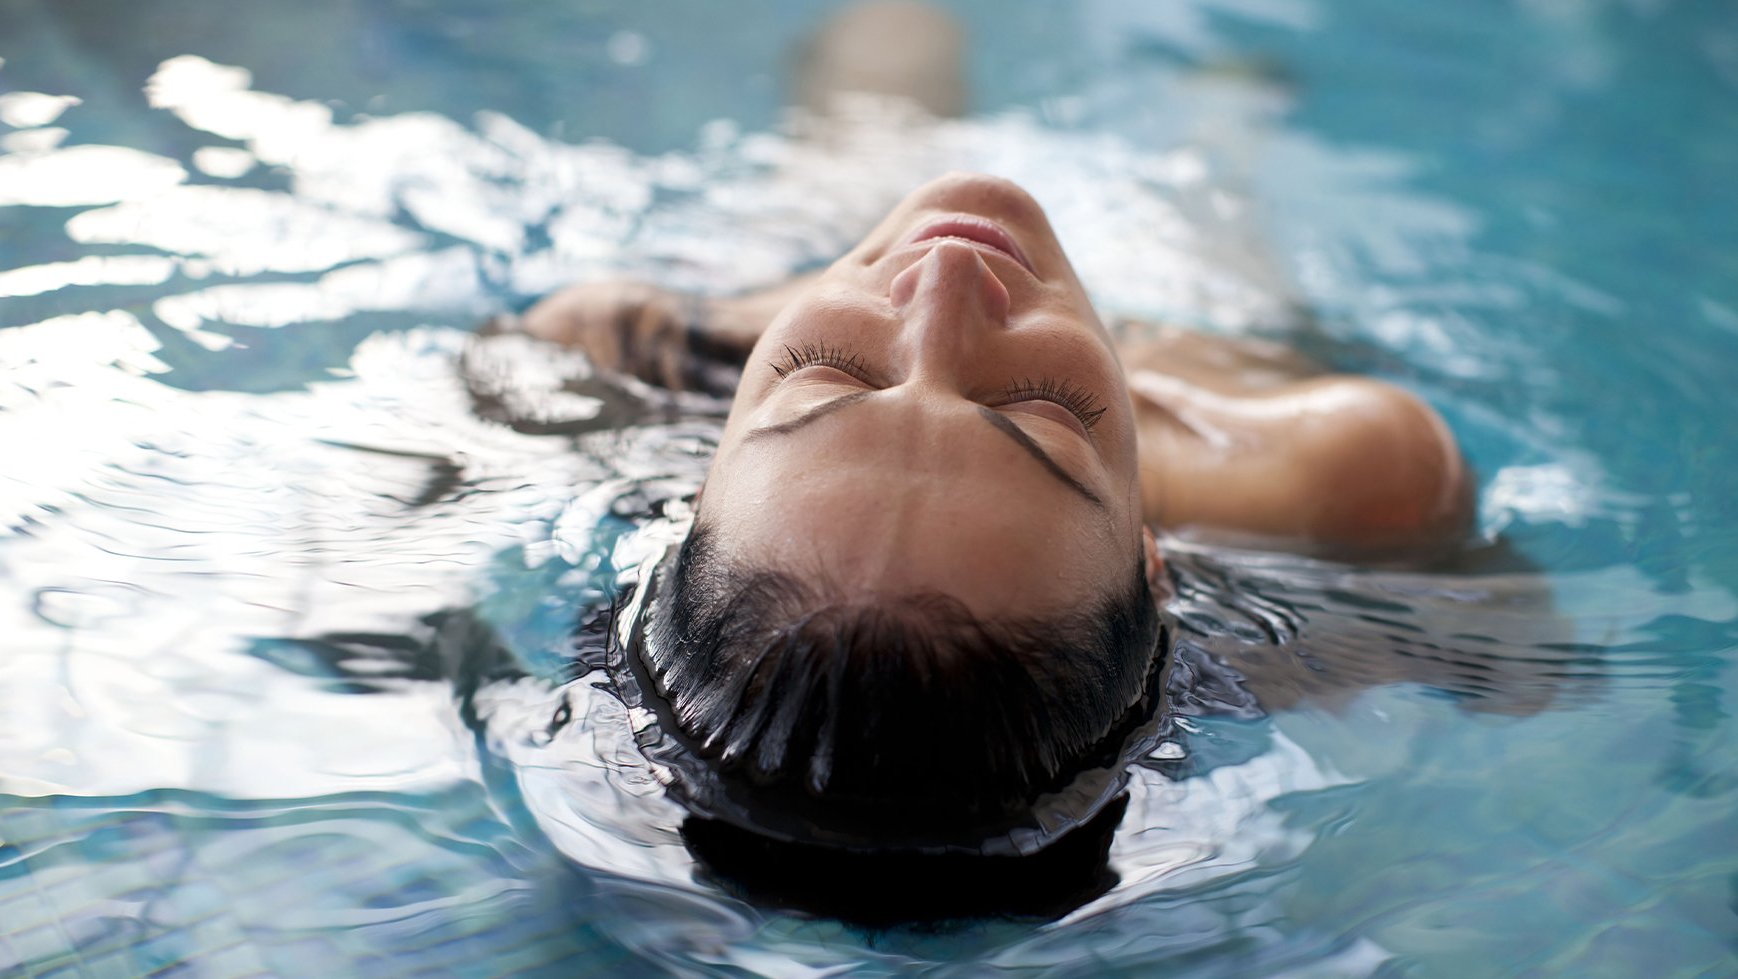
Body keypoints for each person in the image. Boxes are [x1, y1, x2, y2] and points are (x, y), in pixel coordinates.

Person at [507, 169, 1471, 855]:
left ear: (687, 495)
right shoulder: (1346, 476)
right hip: (1214, 340)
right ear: (1152, 565)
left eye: (822, 375)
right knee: (1220, 183)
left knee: (859, 113)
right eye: (1041, 415)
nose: (945, 282)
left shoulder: (615, 363)